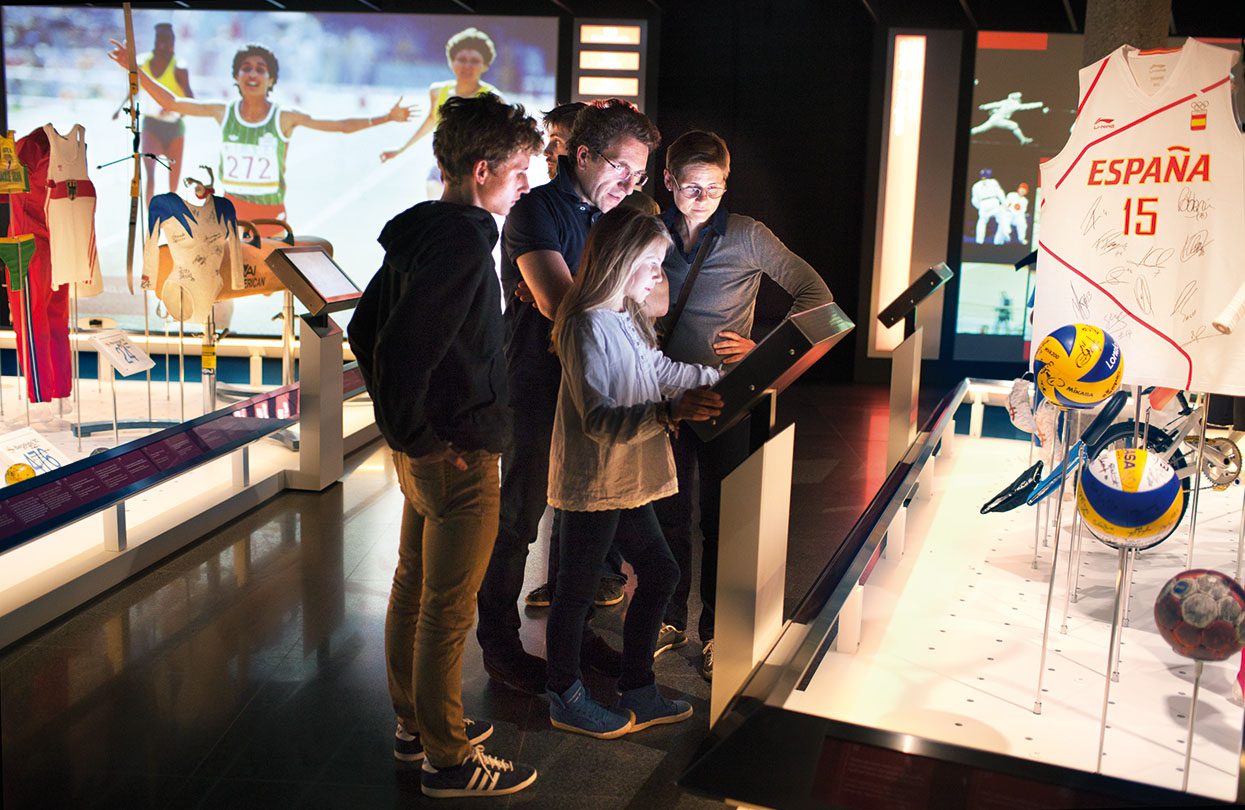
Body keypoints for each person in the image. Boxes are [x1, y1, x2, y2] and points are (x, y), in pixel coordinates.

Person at [347, 94, 542, 799]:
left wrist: (407, 437)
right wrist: (424, 440)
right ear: (483, 168)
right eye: (519, 169)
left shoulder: (427, 231)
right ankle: (448, 759)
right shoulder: (464, 241)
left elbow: (363, 331)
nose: (525, 181)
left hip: (427, 451)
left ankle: (416, 727)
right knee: (446, 607)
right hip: (457, 455)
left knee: (413, 587)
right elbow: (398, 348)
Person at [475, 98, 663, 695]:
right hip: (536, 390)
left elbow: (653, 300)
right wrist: (608, 294)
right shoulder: (535, 212)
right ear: (582, 155)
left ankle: (575, 642)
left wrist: (597, 296)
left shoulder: (614, 213)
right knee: (520, 522)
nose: (631, 184)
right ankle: (500, 647)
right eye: (621, 169)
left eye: (639, 175)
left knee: (583, 530)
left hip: (594, 392)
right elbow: (564, 309)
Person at [654, 130, 833, 680]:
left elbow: (821, 302)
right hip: (658, 392)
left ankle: (714, 630)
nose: (703, 198)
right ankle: (666, 616)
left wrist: (765, 350)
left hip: (723, 395)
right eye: (691, 187)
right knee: (665, 511)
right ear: (668, 182)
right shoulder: (649, 230)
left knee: (719, 517)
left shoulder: (749, 236)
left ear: (727, 183)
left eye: (714, 187)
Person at [545, 206, 722, 737]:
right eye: (651, 265)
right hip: (595, 483)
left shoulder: (623, 318)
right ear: (621, 262)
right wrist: (670, 412)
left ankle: (637, 688)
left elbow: (661, 372)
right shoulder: (583, 326)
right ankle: (565, 694)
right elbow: (598, 418)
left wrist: (723, 376)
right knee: (575, 592)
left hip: (621, 482)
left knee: (660, 573)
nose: (658, 277)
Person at [108, 39, 412, 230]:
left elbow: (340, 125)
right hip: (229, 211)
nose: (252, 73)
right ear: (237, 78)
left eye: (260, 69)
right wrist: (134, 69)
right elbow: (171, 103)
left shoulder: (285, 117)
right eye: (246, 68)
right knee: (222, 286)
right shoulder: (222, 112)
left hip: (269, 215)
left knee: (269, 287)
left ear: (271, 79)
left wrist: (386, 117)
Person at [380, 27, 502, 200]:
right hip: (441, 169)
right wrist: (401, 149)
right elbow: (431, 120)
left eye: (474, 60)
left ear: (485, 65)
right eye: (461, 59)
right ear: (451, 62)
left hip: (475, 174)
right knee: (437, 209)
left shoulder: (494, 98)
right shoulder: (438, 91)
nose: (467, 66)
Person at [536, 100, 658, 216]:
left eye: (557, 141)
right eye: (619, 167)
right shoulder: (541, 206)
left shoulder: (636, 207)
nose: (629, 189)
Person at [136, 23, 192, 205]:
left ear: (173, 42)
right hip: (151, 124)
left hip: (175, 127)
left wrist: (173, 108)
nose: (163, 44)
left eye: (168, 40)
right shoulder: (142, 62)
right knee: (150, 176)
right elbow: (132, 88)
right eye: (160, 39)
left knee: (173, 188)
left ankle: (171, 223)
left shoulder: (180, 67)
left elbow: (191, 101)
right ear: (155, 40)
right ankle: (152, 223)